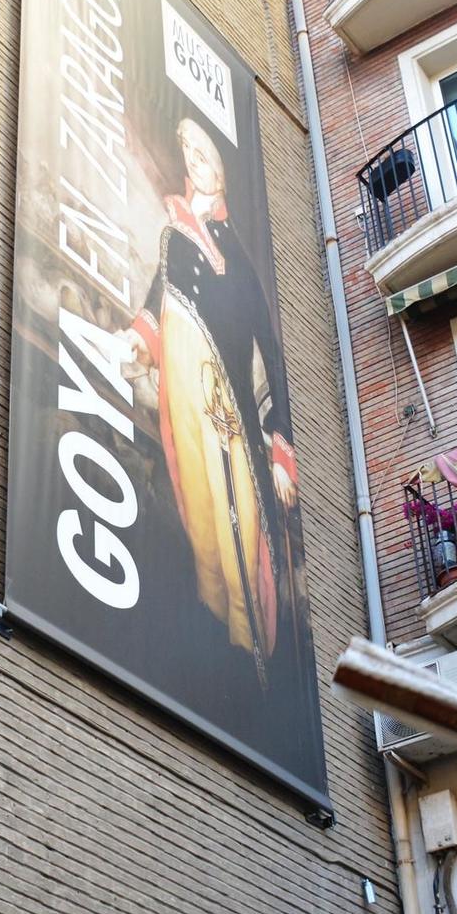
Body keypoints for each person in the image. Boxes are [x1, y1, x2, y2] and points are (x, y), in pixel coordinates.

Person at [128, 116, 301, 685]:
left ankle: (246, 643)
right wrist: (141, 335)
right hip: (184, 396)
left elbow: (271, 354)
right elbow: (161, 290)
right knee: (199, 508)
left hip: (229, 411)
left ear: (221, 173)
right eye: (189, 154)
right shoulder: (175, 232)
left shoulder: (240, 258)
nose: (195, 163)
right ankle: (207, 618)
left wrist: (281, 452)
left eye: (204, 155)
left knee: (239, 517)